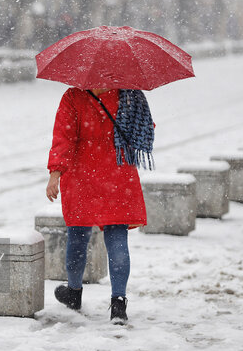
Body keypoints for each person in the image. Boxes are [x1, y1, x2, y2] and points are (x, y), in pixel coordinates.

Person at [46, 87, 155, 324]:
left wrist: (55, 174)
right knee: (117, 238)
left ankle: (74, 293)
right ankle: (118, 304)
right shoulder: (130, 94)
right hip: (118, 172)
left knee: (78, 235)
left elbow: (63, 137)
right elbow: (146, 129)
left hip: (81, 172)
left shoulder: (73, 96)